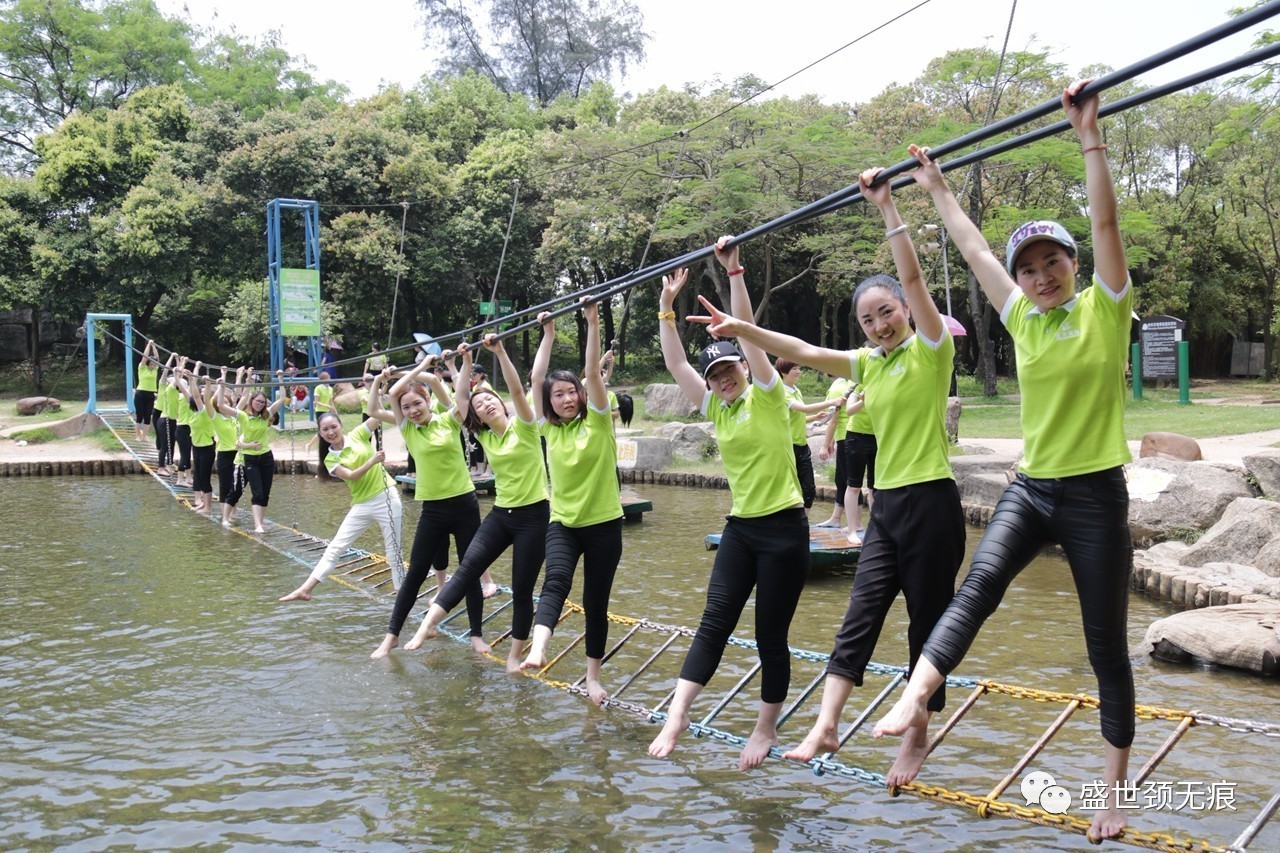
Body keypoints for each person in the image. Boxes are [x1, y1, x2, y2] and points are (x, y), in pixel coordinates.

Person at [873, 81, 1135, 843]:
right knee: (979, 582)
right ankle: (917, 695)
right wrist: (936, 190)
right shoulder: (1020, 314)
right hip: (1034, 486)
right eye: (1030, 268)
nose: (1039, 274)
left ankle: (1112, 794)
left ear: (1073, 266)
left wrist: (1089, 136)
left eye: (1052, 261)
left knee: (1104, 647)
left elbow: (1106, 220)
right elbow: (973, 248)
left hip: (1093, 498)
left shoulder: (1104, 307)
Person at [698, 168, 965, 788]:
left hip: (931, 501)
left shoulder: (930, 349)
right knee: (859, 615)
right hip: (887, 506)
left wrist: (888, 207)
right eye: (868, 320)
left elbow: (915, 277)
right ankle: (826, 723)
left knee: (926, 624)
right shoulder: (866, 364)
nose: (878, 325)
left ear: (903, 311)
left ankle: (918, 736)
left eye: (886, 313)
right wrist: (742, 330)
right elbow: (804, 350)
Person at [648, 239, 811, 771]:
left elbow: (747, 332)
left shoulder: (767, 391)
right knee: (713, 621)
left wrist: (734, 272)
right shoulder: (717, 410)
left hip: (784, 529)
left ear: (744, 366)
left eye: (728, 371)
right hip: (741, 529)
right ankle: (679, 715)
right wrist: (667, 310)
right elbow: (676, 365)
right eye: (715, 377)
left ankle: (764, 729)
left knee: (770, 634)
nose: (722, 381)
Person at [406, 335, 549, 673]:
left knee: (523, 588)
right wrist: (461, 366)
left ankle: (514, 656)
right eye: (480, 404)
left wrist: (499, 352)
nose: (485, 404)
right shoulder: (483, 435)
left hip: (534, 516)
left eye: (490, 400)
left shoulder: (525, 427)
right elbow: (462, 397)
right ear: (478, 418)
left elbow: (518, 390)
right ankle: (427, 626)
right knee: (468, 569)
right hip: (502, 515)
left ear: (500, 403)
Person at [519, 297, 623, 706]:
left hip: (604, 525)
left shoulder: (598, 417)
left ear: (581, 395)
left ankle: (593, 677)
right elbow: (535, 377)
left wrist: (592, 321)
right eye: (557, 395)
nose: (565, 398)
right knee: (555, 583)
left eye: (570, 392)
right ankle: (538, 649)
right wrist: (548, 334)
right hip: (563, 523)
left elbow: (595, 372)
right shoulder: (549, 429)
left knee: (597, 603)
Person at [368, 354, 491, 659]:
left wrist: (445, 365)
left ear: (427, 402)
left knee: (470, 570)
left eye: (417, 404)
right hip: (432, 511)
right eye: (406, 407)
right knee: (415, 574)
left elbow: (440, 384)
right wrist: (391, 376)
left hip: (464, 505)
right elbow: (385, 400)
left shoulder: (449, 419)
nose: (412, 411)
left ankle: (476, 634)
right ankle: (391, 636)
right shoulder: (408, 429)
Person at [280, 374, 405, 603]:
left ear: (340, 425)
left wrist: (379, 385)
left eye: (333, 427)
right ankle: (306, 588)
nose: (330, 432)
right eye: (325, 430)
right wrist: (373, 460)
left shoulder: (358, 434)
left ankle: (401, 596)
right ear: (320, 434)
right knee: (336, 546)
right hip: (362, 503)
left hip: (386, 496)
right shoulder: (329, 460)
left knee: (393, 551)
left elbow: (376, 413)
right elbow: (353, 476)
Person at [216, 371, 287, 534]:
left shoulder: (266, 415)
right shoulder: (242, 415)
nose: (260, 404)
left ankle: (260, 522)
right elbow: (220, 405)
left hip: (266, 457)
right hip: (249, 459)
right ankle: (234, 520)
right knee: (250, 491)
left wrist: (281, 379)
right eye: (258, 401)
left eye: (263, 402)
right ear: (251, 401)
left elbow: (282, 399)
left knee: (266, 492)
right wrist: (221, 386)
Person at [777, 358, 840, 511]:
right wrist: (831, 402)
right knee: (788, 488)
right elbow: (803, 408)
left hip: (802, 445)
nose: (798, 371)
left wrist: (815, 417)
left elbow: (798, 415)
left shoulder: (796, 390)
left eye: (799, 368)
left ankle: (802, 523)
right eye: (794, 369)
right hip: (787, 447)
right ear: (784, 372)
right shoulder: (781, 392)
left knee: (809, 489)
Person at [812, 374, 851, 528]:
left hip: (847, 437)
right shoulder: (847, 385)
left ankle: (854, 523)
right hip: (844, 437)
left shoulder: (836, 389)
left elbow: (834, 420)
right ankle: (836, 518)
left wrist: (824, 444)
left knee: (850, 483)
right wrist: (833, 441)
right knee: (841, 480)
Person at [176, 363, 216, 513]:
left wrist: (192, 379)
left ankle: (208, 506)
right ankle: (201, 502)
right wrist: (177, 376)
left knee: (204, 477)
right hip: (197, 448)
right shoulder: (193, 413)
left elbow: (197, 396)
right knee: (198, 475)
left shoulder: (204, 412)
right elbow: (187, 393)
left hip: (207, 448)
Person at [212, 368, 246, 527]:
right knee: (225, 484)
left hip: (238, 453)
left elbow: (240, 396)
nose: (226, 404)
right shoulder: (216, 417)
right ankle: (225, 515)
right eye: (223, 403)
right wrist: (222, 382)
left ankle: (232, 513)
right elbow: (213, 401)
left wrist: (242, 376)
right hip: (225, 454)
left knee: (236, 485)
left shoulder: (235, 416)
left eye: (228, 403)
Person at [842, 382, 874, 544]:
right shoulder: (857, 386)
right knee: (854, 485)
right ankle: (852, 529)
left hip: (879, 437)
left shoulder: (883, 380)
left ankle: (877, 529)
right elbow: (849, 410)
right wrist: (863, 401)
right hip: (856, 437)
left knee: (876, 486)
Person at [133, 339, 160, 441]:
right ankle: (138, 436)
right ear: (148, 364)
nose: (153, 366)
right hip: (140, 394)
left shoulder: (155, 370)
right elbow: (144, 357)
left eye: (154, 365)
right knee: (140, 415)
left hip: (150, 395)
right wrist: (148, 345)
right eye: (151, 364)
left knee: (148, 416)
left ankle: (144, 436)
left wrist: (154, 346)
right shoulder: (142, 368)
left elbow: (157, 358)